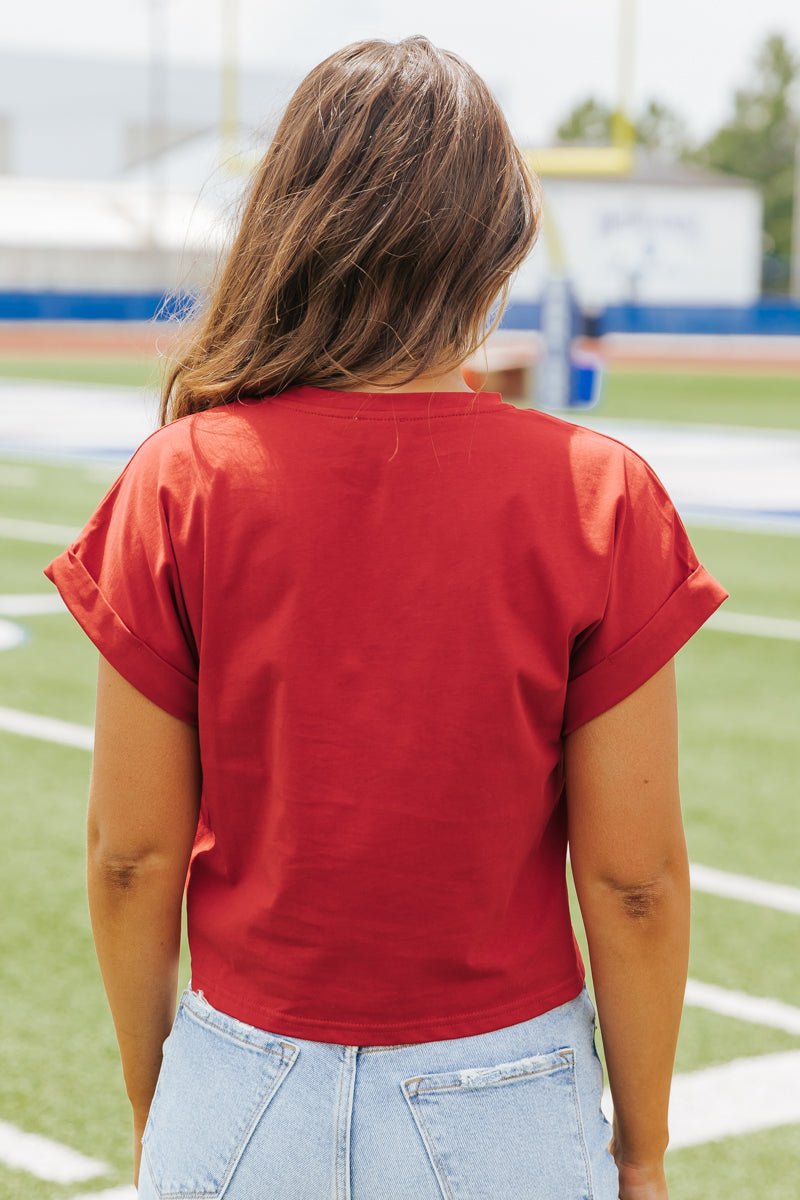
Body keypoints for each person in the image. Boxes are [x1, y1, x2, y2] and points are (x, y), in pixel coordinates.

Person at [42, 35, 730, 1200]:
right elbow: (631, 880)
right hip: (501, 1091)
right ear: (493, 244)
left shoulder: (180, 478)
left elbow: (129, 856)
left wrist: (172, 1101)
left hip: (240, 1074)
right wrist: (644, 1153)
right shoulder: (596, 494)